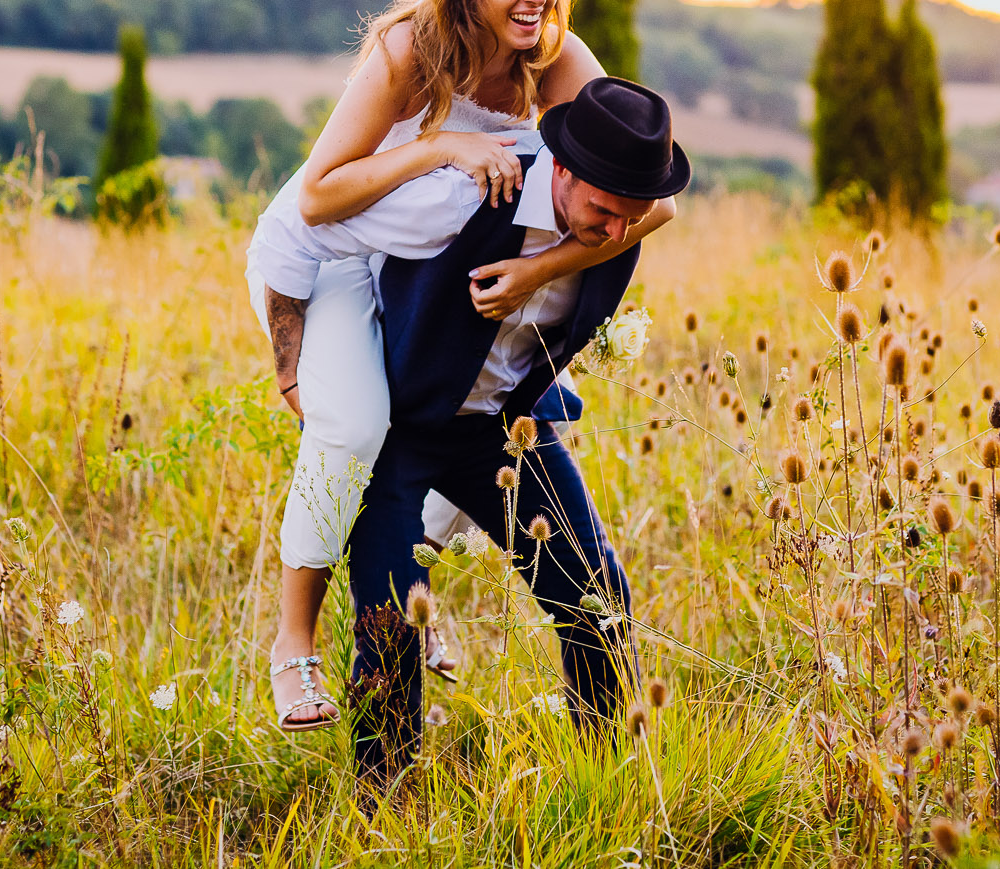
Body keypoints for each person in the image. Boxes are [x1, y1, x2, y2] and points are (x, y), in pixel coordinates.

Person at [244, 0, 676, 731]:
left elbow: (631, 187)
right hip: (337, 248)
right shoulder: (410, 52)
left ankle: (597, 754)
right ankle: (295, 640)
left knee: (592, 589)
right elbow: (318, 199)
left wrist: (538, 269)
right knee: (358, 428)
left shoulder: (557, 56)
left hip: (458, 325)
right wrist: (442, 144)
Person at [254, 76, 690, 787]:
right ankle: (386, 803)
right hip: (402, 423)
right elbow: (302, 225)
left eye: (632, 216)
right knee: (390, 623)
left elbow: (615, 230)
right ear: (566, 169)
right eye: (607, 211)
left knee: (596, 593)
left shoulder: (619, 219)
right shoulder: (460, 194)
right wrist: (292, 366)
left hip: (506, 430)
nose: (618, 233)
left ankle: (602, 777)